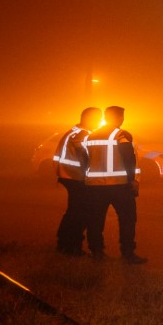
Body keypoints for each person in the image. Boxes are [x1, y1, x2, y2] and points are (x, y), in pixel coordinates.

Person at [84, 105, 146, 263]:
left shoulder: (91, 136)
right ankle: (128, 253)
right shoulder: (120, 135)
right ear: (119, 118)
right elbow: (128, 159)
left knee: (96, 220)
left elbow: (86, 159)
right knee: (127, 219)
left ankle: (97, 251)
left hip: (95, 185)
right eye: (122, 116)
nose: (122, 119)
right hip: (119, 185)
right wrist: (133, 180)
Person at [52, 106, 100, 255]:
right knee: (80, 212)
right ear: (89, 119)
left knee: (73, 211)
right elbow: (87, 155)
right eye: (97, 119)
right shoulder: (83, 135)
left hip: (68, 176)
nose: (98, 122)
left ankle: (64, 243)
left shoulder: (72, 131)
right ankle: (72, 246)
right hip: (77, 178)